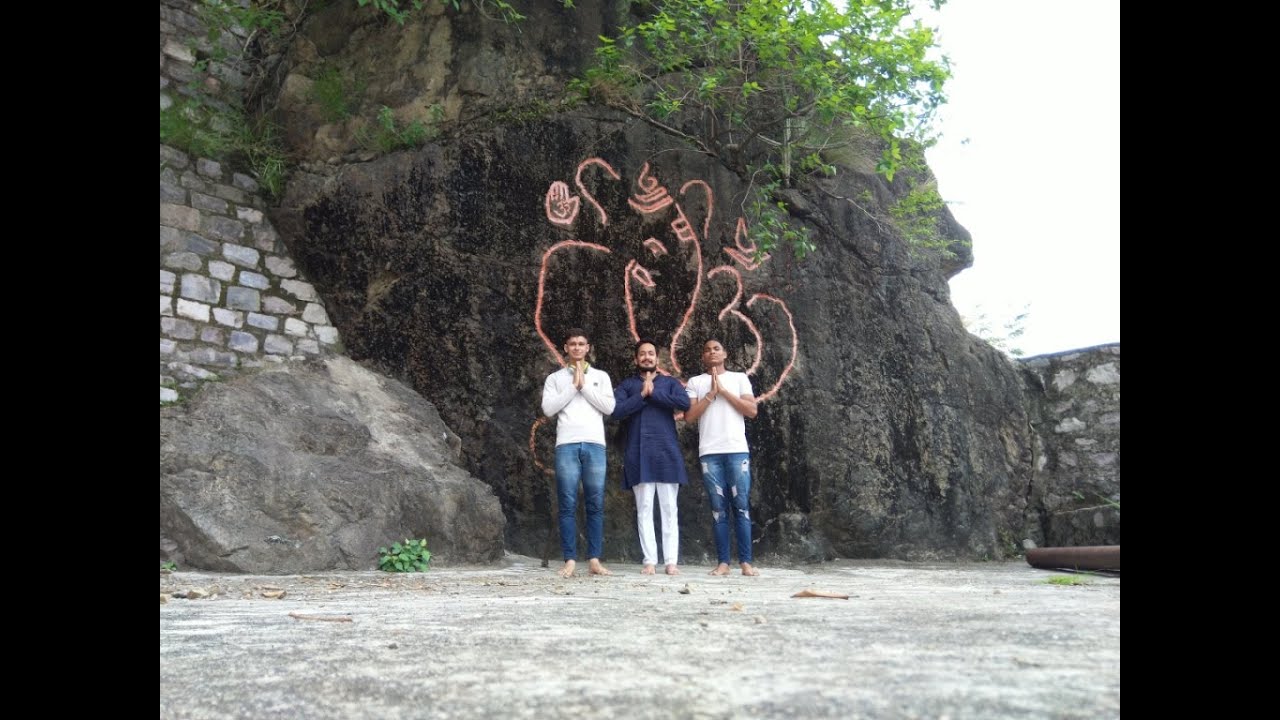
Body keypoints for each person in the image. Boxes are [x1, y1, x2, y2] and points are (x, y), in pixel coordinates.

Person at [611, 340, 692, 575]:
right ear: (636, 359)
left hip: (666, 453)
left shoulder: (670, 383)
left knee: (669, 508)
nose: (647, 357)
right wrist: (641, 395)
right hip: (638, 454)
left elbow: (684, 403)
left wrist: (653, 394)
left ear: (657, 358)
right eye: (642, 354)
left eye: (651, 353)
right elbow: (616, 411)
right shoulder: (627, 385)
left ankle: (671, 562)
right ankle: (649, 560)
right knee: (644, 508)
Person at [541, 328, 616, 578]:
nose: (576, 348)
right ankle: (570, 560)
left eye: (581, 344)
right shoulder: (555, 379)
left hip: (594, 444)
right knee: (567, 503)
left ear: (588, 348)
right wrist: (573, 387)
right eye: (572, 344)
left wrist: (584, 386)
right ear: (565, 348)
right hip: (567, 444)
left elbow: (609, 406)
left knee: (595, 503)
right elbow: (549, 409)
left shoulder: (601, 376)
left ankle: (594, 559)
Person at [682, 339, 760, 576]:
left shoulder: (739, 379)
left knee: (742, 506)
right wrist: (710, 395)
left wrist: (724, 392)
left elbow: (752, 410)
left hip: (737, 450)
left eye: (716, 348)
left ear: (725, 353)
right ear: (703, 357)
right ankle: (723, 562)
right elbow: (689, 417)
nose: (712, 352)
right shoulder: (696, 382)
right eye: (707, 350)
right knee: (718, 508)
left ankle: (746, 562)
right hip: (710, 452)